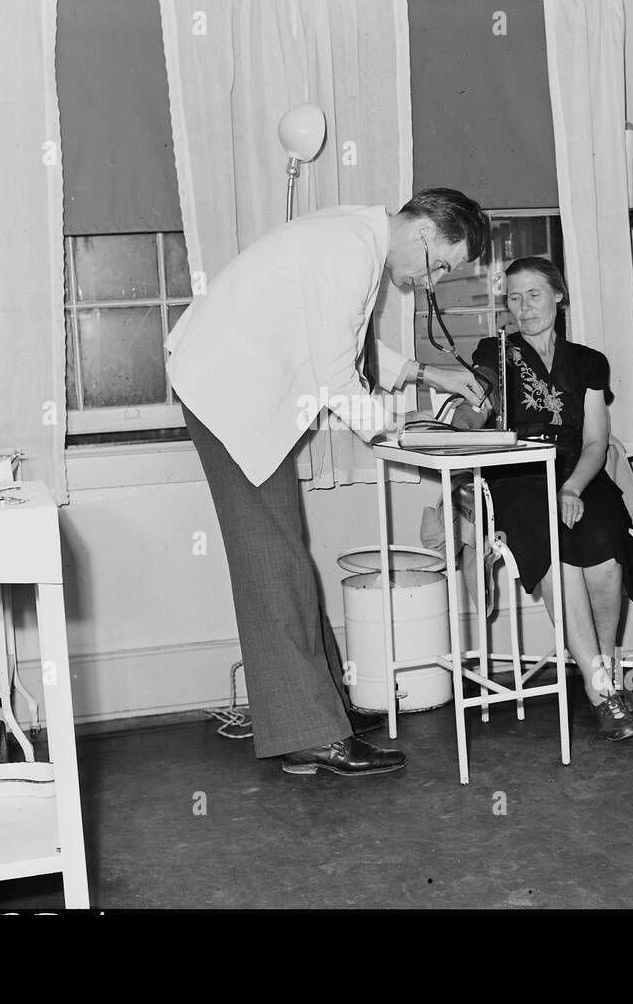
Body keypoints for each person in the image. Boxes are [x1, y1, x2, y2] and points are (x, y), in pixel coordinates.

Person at [165, 189, 490, 775]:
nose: (432, 278)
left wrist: (423, 373)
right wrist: (397, 439)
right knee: (273, 561)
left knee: (286, 555)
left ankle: (319, 714)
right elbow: (338, 379)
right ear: (423, 232)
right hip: (225, 397)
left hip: (236, 395)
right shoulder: (349, 248)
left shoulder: (357, 240)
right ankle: (309, 732)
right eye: (440, 262)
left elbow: (347, 343)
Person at [460, 257, 633, 741]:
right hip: (517, 476)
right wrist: (468, 411)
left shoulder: (588, 361)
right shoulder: (495, 351)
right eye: (514, 298)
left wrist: (572, 488)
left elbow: (595, 442)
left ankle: (597, 666)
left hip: (577, 474)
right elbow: (473, 412)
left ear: (559, 296)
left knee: (606, 552)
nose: (523, 308)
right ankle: (603, 690)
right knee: (559, 555)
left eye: (534, 295)